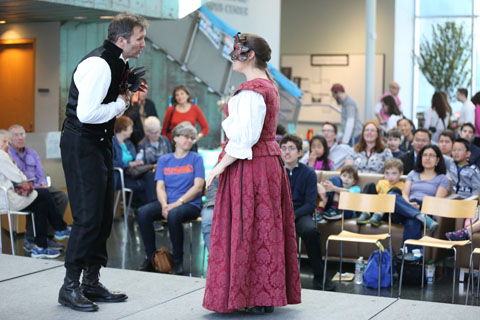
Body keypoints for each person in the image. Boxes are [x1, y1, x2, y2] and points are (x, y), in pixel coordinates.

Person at [203, 32, 301, 314]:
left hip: (252, 165)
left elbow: (244, 139)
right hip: (267, 163)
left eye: (237, 52)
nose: (233, 56)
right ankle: (261, 294)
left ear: (249, 56)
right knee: (263, 226)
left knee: (248, 227)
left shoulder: (251, 91)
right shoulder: (266, 86)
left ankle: (251, 295)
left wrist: (218, 169)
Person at [58, 13, 147, 311]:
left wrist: (124, 94)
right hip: (82, 143)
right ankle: (69, 287)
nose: (143, 44)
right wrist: (123, 103)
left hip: (99, 143)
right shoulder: (98, 64)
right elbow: (87, 114)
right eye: (139, 39)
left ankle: (91, 282)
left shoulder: (116, 60)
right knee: (87, 216)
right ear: (121, 40)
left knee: (103, 216)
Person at [137, 121, 205, 274]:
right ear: (175, 138)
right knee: (143, 212)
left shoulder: (196, 159)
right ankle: (151, 257)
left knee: (174, 215)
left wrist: (177, 203)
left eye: (192, 138)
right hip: (167, 203)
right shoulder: (164, 160)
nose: (189, 140)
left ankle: (177, 262)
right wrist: (164, 205)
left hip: (190, 204)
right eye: (186, 137)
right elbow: (160, 186)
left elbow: (198, 187)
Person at [280, 134, 336, 291]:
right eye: (283, 148)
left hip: (300, 214)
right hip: (278, 215)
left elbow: (310, 204)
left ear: (299, 152)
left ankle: (320, 277)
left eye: (291, 148)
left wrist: (293, 215)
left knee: (311, 231)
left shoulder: (309, 173)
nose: (287, 152)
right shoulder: (274, 171)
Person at [0, 130, 68, 259]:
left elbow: (38, 172)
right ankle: (59, 228)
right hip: (9, 197)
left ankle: (41, 246)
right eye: (4, 141)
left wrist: (41, 182)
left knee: (45, 200)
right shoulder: (2, 155)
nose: (7, 144)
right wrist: (25, 180)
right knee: (43, 196)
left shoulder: (29, 153)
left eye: (22, 134)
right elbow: (17, 176)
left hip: (23, 190)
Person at [113, 116, 155, 206]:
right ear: (123, 129)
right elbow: (112, 162)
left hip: (131, 174)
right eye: (130, 128)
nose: (132, 131)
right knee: (148, 185)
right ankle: (145, 209)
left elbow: (134, 158)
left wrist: (138, 161)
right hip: (119, 176)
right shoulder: (112, 143)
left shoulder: (129, 144)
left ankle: (147, 210)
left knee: (151, 177)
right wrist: (129, 164)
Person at [357, 159, 405, 226]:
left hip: (388, 213)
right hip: (375, 210)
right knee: (370, 185)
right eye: (387, 173)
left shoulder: (403, 186)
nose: (390, 177)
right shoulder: (381, 182)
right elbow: (374, 197)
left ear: (401, 173)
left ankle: (379, 214)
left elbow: (402, 202)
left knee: (395, 190)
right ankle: (366, 213)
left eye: (394, 173)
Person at [125, 79, 158, 146]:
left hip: (148, 141)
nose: (145, 92)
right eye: (142, 89)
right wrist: (136, 106)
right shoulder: (127, 104)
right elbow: (127, 122)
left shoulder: (150, 104)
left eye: (146, 89)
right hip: (132, 142)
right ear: (135, 90)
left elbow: (156, 121)